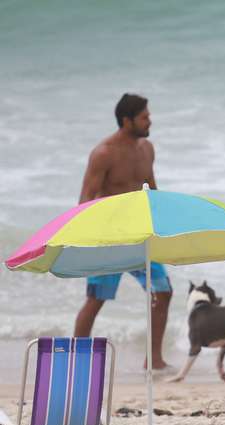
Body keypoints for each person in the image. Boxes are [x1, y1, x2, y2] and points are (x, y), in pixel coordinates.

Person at [73, 93, 173, 370]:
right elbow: (85, 200)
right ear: (127, 120)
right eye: (144, 116)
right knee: (96, 298)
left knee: (162, 292)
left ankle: (154, 360)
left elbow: (152, 189)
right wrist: (88, 238)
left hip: (140, 236)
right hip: (110, 239)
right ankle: (78, 357)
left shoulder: (147, 149)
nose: (149, 120)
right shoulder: (104, 153)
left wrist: (163, 225)